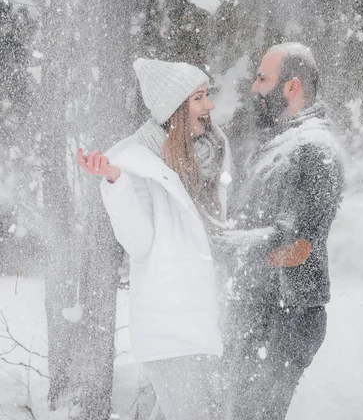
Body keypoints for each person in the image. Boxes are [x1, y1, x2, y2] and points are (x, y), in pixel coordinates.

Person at [77, 58, 232, 420]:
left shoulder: (205, 155)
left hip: (205, 323)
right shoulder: (139, 167)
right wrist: (116, 183)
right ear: (175, 110)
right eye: (198, 98)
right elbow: (139, 243)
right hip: (172, 328)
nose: (209, 106)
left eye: (206, 95)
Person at [228, 42, 345, 420]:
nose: (255, 88)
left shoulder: (314, 149)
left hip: (285, 319)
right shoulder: (282, 142)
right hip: (262, 313)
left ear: (292, 87)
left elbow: (296, 246)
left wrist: (219, 243)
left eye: (263, 78)